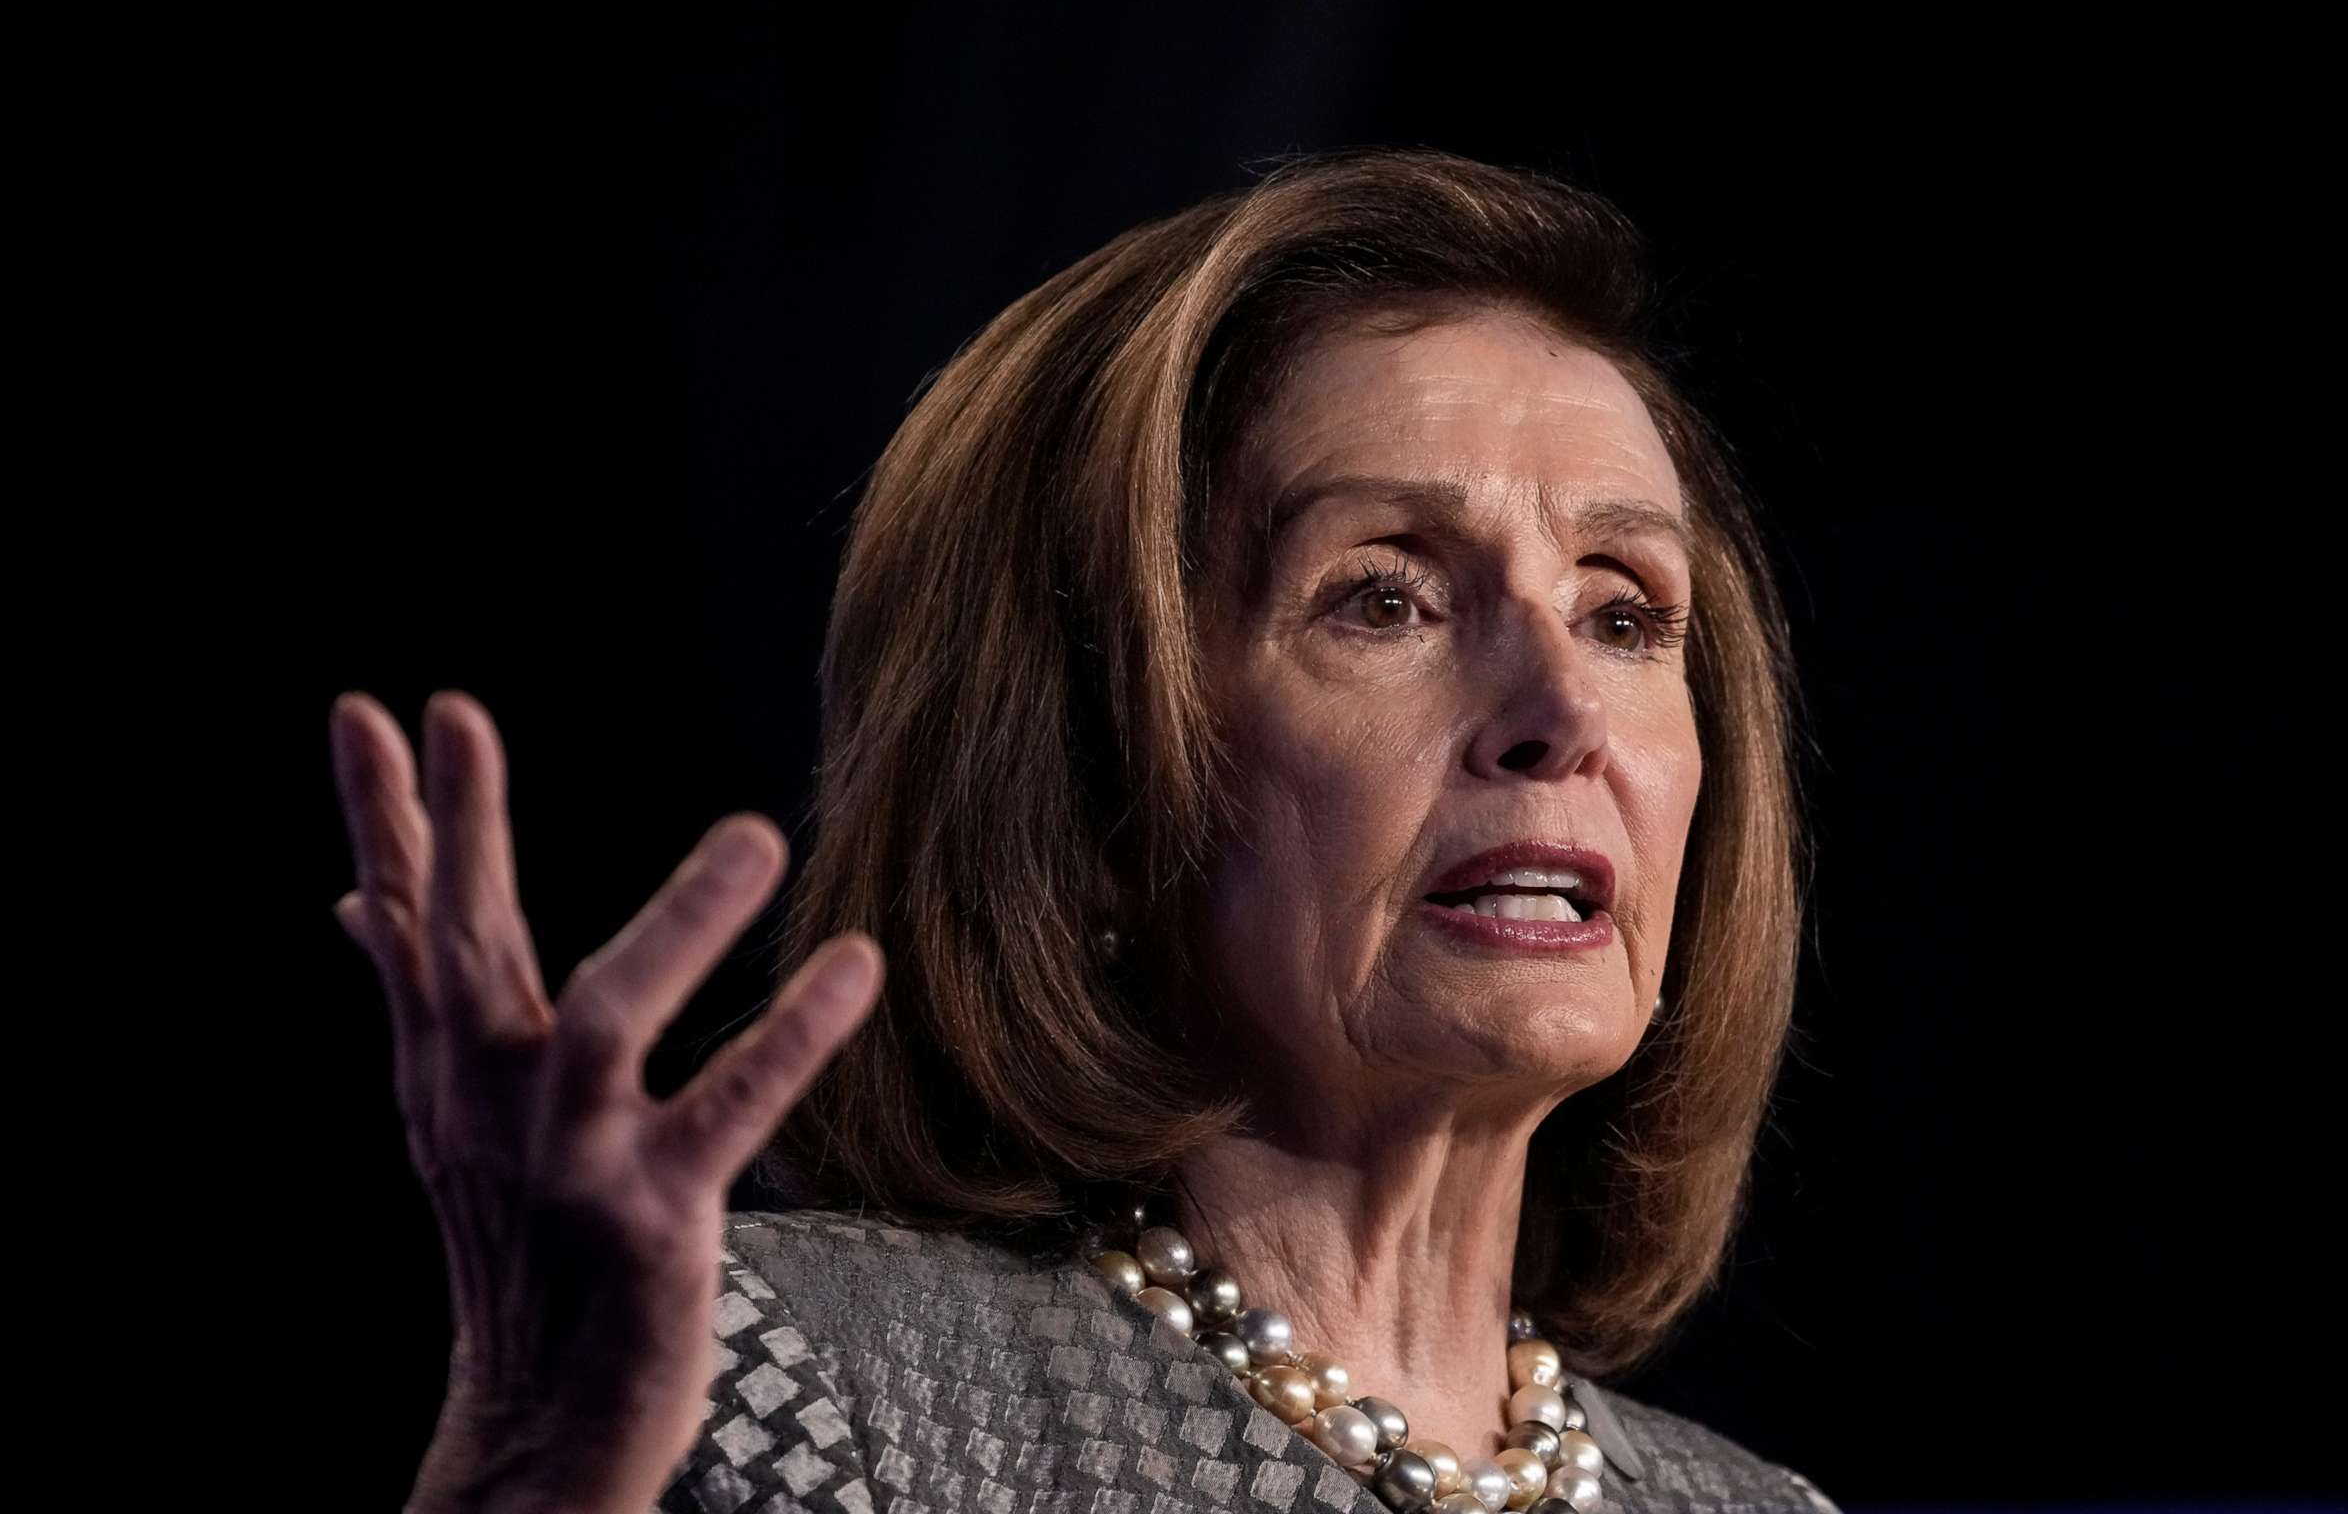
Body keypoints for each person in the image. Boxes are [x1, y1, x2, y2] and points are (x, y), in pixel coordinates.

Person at [330, 147, 1842, 1514]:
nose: (1562, 708)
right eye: (1386, 597)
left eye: (1626, 612)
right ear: (1095, 775)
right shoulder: (782, 1386)